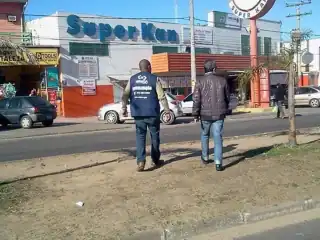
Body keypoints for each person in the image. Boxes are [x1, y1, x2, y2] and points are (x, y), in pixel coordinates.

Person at [122, 59, 170, 172]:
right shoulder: (154, 79)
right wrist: (167, 110)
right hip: (152, 114)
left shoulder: (132, 79)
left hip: (138, 114)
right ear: (148, 67)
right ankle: (155, 159)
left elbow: (125, 94)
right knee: (155, 137)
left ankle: (141, 161)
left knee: (140, 137)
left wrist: (124, 108)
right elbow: (161, 96)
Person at [192, 60, 230, 172]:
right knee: (218, 137)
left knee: (204, 135)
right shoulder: (222, 81)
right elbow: (227, 97)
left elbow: (196, 99)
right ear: (214, 69)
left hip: (205, 114)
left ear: (204, 69)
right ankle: (218, 163)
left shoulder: (199, 81)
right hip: (219, 114)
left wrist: (195, 113)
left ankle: (205, 157)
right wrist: (226, 109)